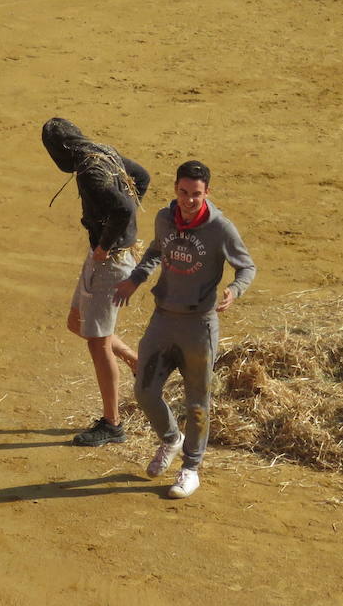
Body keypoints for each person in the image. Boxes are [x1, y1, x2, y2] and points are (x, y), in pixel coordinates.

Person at [112, 160, 256, 500]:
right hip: (163, 319)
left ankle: (190, 468)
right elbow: (155, 251)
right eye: (183, 192)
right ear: (175, 189)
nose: (189, 201)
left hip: (199, 326)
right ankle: (170, 438)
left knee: (197, 403)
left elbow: (246, 266)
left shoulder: (220, 228)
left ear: (206, 193)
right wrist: (135, 279)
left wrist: (234, 291)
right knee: (145, 391)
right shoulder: (165, 218)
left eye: (196, 194)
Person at [41, 118, 151, 447]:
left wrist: (106, 244)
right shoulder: (103, 152)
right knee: (77, 322)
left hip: (110, 260)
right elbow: (141, 178)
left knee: (97, 341)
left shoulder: (89, 171)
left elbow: (122, 206)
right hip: (109, 255)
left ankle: (112, 425)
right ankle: (136, 362)